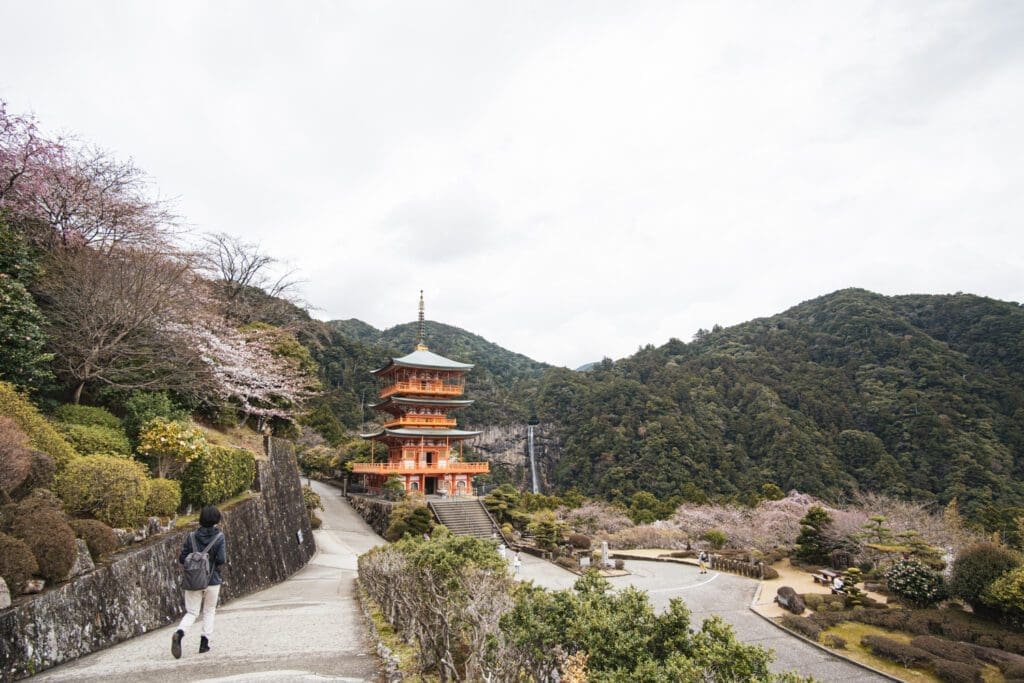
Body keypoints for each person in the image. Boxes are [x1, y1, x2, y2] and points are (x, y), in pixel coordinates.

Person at [171, 506, 227, 658]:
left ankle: (180, 633)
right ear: (216, 519)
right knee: (209, 611)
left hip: (193, 580)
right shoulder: (219, 537)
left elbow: (182, 558)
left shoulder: (191, 536)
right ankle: (204, 643)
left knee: (192, 612)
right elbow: (222, 559)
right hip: (212, 580)